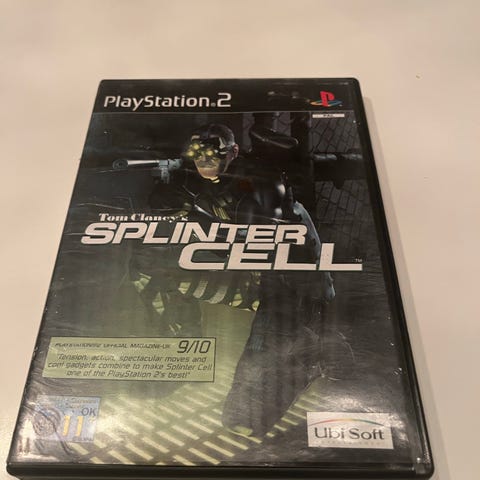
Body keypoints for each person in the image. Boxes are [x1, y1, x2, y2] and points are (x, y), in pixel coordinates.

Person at [131, 124, 335, 436]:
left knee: (246, 415)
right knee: (148, 266)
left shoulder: (261, 183)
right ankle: (183, 354)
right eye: (198, 152)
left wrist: (198, 220)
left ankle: (309, 350)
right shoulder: (193, 178)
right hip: (247, 277)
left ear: (234, 152)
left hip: (291, 285)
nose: (204, 159)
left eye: (213, 151)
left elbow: (262, 247)